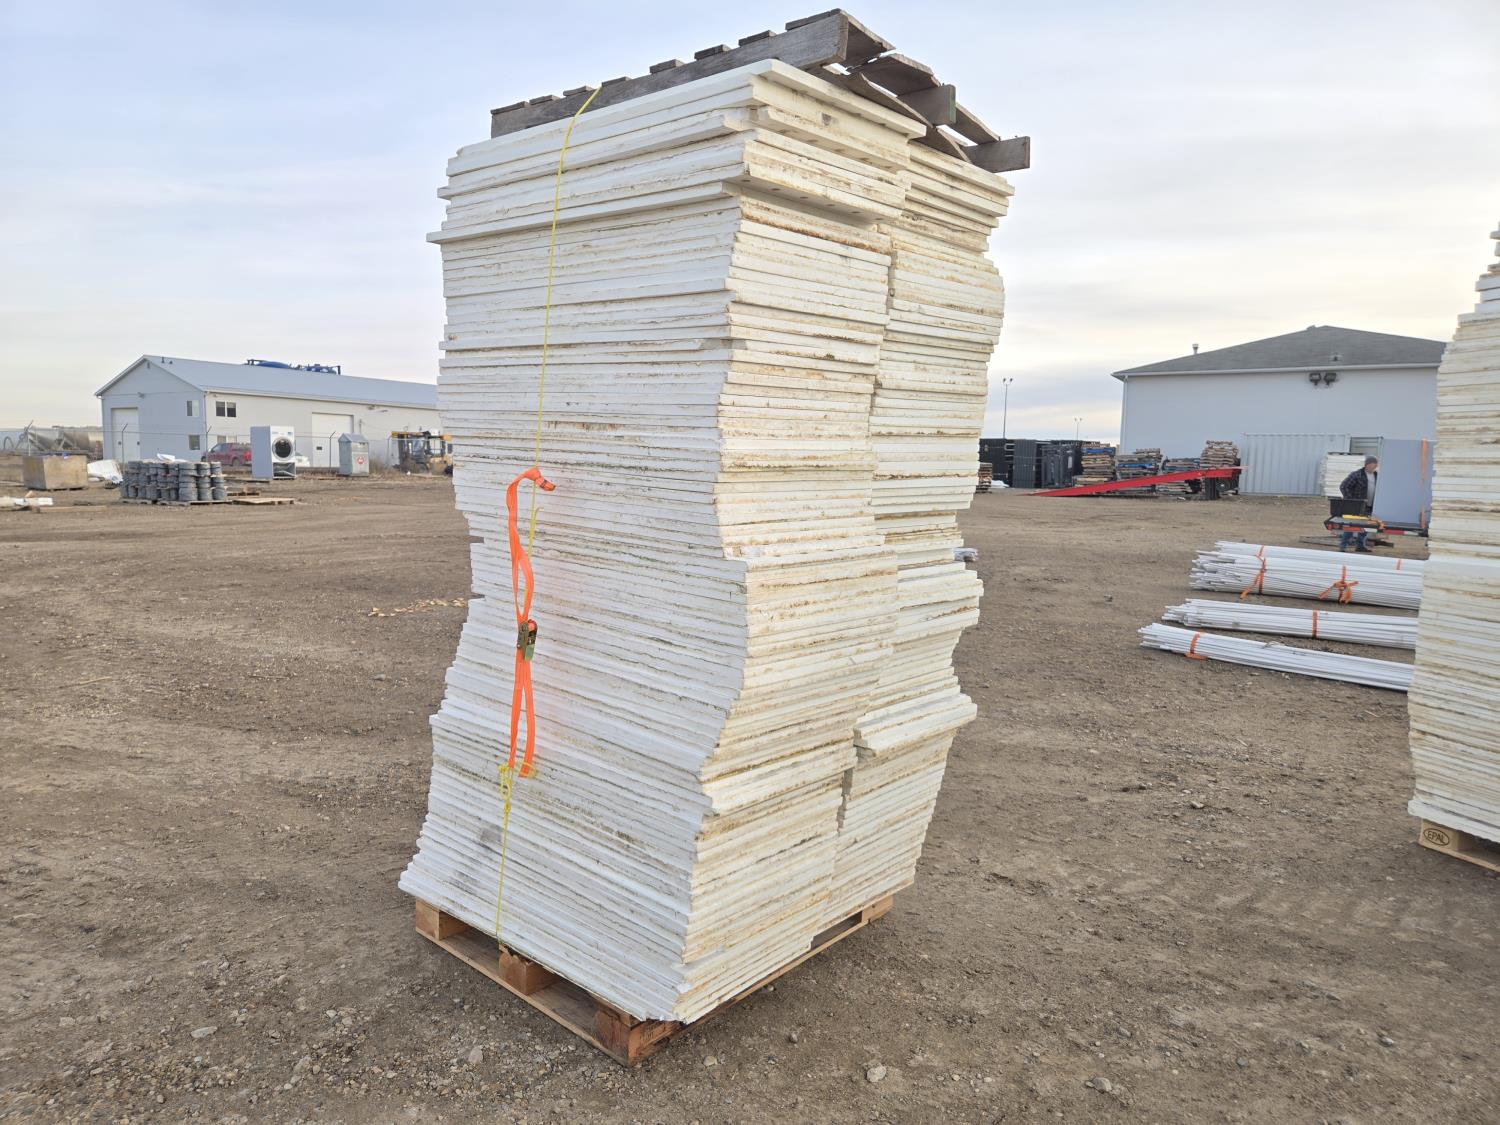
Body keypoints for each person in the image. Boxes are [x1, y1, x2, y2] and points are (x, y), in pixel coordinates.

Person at [1338, 456, 1379, 552]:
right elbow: (1344, 486)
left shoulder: (1377, 476)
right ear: (1367, 464)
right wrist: (1351, 500)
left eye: (1376, 464)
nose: (1375, 466)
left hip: (1370, 506)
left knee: (1366, 526)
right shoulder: (1357, 475)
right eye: (1373, 464)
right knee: (1351, 525)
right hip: (1357, 506)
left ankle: (1360, 545)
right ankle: (1343, 545)